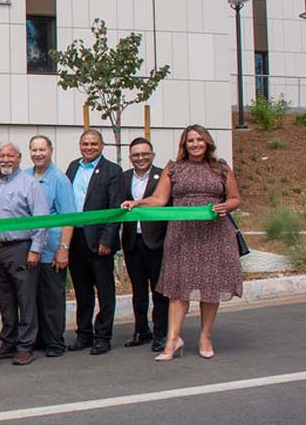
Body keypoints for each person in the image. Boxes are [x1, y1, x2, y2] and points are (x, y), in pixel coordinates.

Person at [122, 125, 242, 361]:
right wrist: (138, 203)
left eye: (199, 140)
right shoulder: (173, 168)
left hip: (213, 233)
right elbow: (159, 199)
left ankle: (205, 336)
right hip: (182, 234)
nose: (195, 144)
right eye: (190, 141)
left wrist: (225, 206)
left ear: (207, 142)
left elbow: (235, 198)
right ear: (184, 145)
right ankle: (172, 340)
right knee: (178, 289)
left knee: (210, 287)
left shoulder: (221, 168)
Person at [0, 142, 49, 366]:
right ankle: (8, 342)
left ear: (19, 158)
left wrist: (36, 249)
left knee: (25, 298)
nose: (5, 159)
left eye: (10, 155)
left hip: (21, 248)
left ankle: (25, 346)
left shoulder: (29, 183)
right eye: (1, 155)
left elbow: (42, 219)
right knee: (5, 299)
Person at [65, 129, 124, 355]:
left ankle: (103, 336)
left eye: (94, 144)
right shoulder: (72, 167)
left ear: (102, 145)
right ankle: (84, 334)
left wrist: (108, 238)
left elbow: (115, 207)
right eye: (85, 144)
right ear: (80, 145)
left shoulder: (112, 171)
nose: (89, 148)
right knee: (82, 290)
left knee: (105, 290)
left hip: (99, 240)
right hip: (76, 238)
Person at [26, 135, 76, 357]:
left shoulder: (59, 180)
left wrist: (63, 249)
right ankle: (39, 339)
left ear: (50, 151)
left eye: (42, 150)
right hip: (29, 249)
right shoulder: (25, 176)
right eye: (34, 150)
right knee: (33, 298)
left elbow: (68, 218)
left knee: (52, 298)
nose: (38, 154)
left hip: (52, 249)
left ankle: (55, 341)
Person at [120, 137, 169, 352]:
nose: (140, 158)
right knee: (138, 291)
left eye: (145, 154)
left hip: (156, 242)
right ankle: (141, 331)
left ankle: (162, 334)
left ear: (152, 156)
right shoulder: (123, 178)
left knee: (159, 291)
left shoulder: (163, 177)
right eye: (136, 155)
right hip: (132, 242)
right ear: (130, 158)